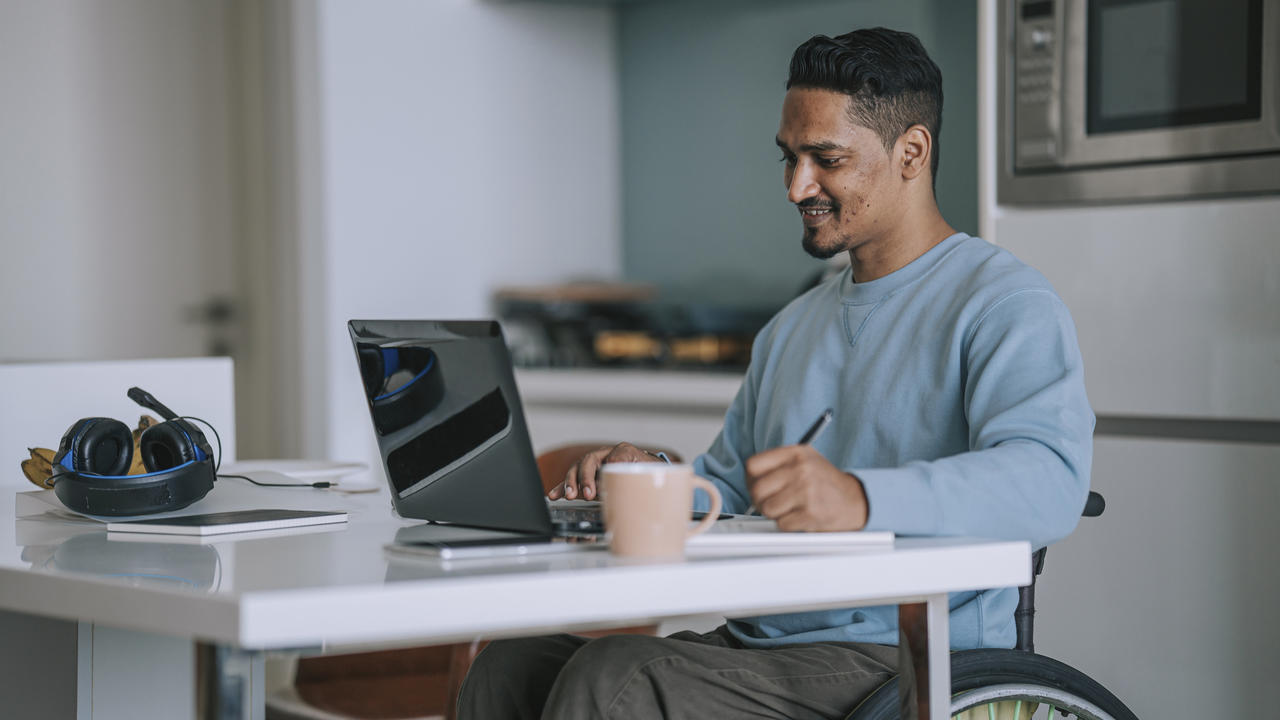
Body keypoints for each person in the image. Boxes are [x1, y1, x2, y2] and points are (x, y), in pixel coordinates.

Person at [458, 26, 1093, 720]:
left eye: (827, 159)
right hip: (762, 647)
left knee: (618, 679)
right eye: (789, 158)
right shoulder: (794, 326)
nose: (797, 186)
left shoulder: (1003, 303)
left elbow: (1050, 481)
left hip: (905, 655)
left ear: (912, 152)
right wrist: (653, 475)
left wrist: (859, 498)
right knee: (510, 665)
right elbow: (727, 490)